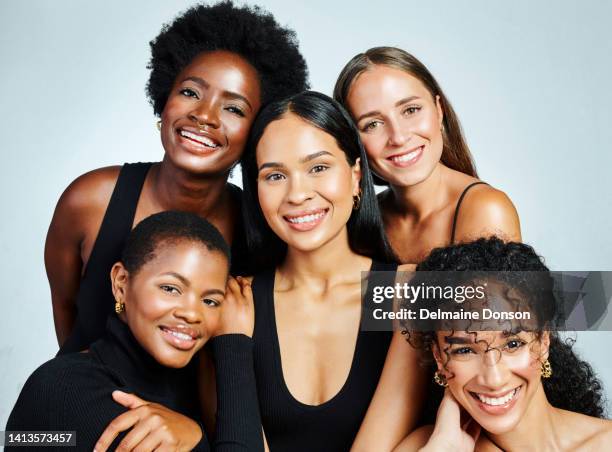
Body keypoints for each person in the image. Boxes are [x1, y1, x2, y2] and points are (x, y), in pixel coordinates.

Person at [46, 1, 309, 354]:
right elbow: (66, 312)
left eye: (233, 108)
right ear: (165, 97)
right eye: (190, 92)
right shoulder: (90, 201)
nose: (204, 115)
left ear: (257, 131)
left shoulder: (260, 225)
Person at [239, 91, 426, 451]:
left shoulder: (406, 289)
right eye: (275, 176)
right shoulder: (239, 300)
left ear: (356, 176)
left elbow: (556, 304)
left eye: (318, 168)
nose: (297, 194)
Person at [6, 211, 262, 451]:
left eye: (210, 301)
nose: (192, 313)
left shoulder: (196, 387)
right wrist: (235, 345)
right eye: (170, 288)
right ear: (121, 283)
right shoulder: (65, 387)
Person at [394, 237, 611, 451]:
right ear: (439, 358)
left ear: (543, 341)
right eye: (465, 350)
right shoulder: (426, 446)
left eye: (513, 344)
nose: (494, 380)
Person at [334, 47, 521, 264]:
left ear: (438, 109)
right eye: (372, 124)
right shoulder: (358, 220)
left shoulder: (486, 209)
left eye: (411, 110)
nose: (399, 137)